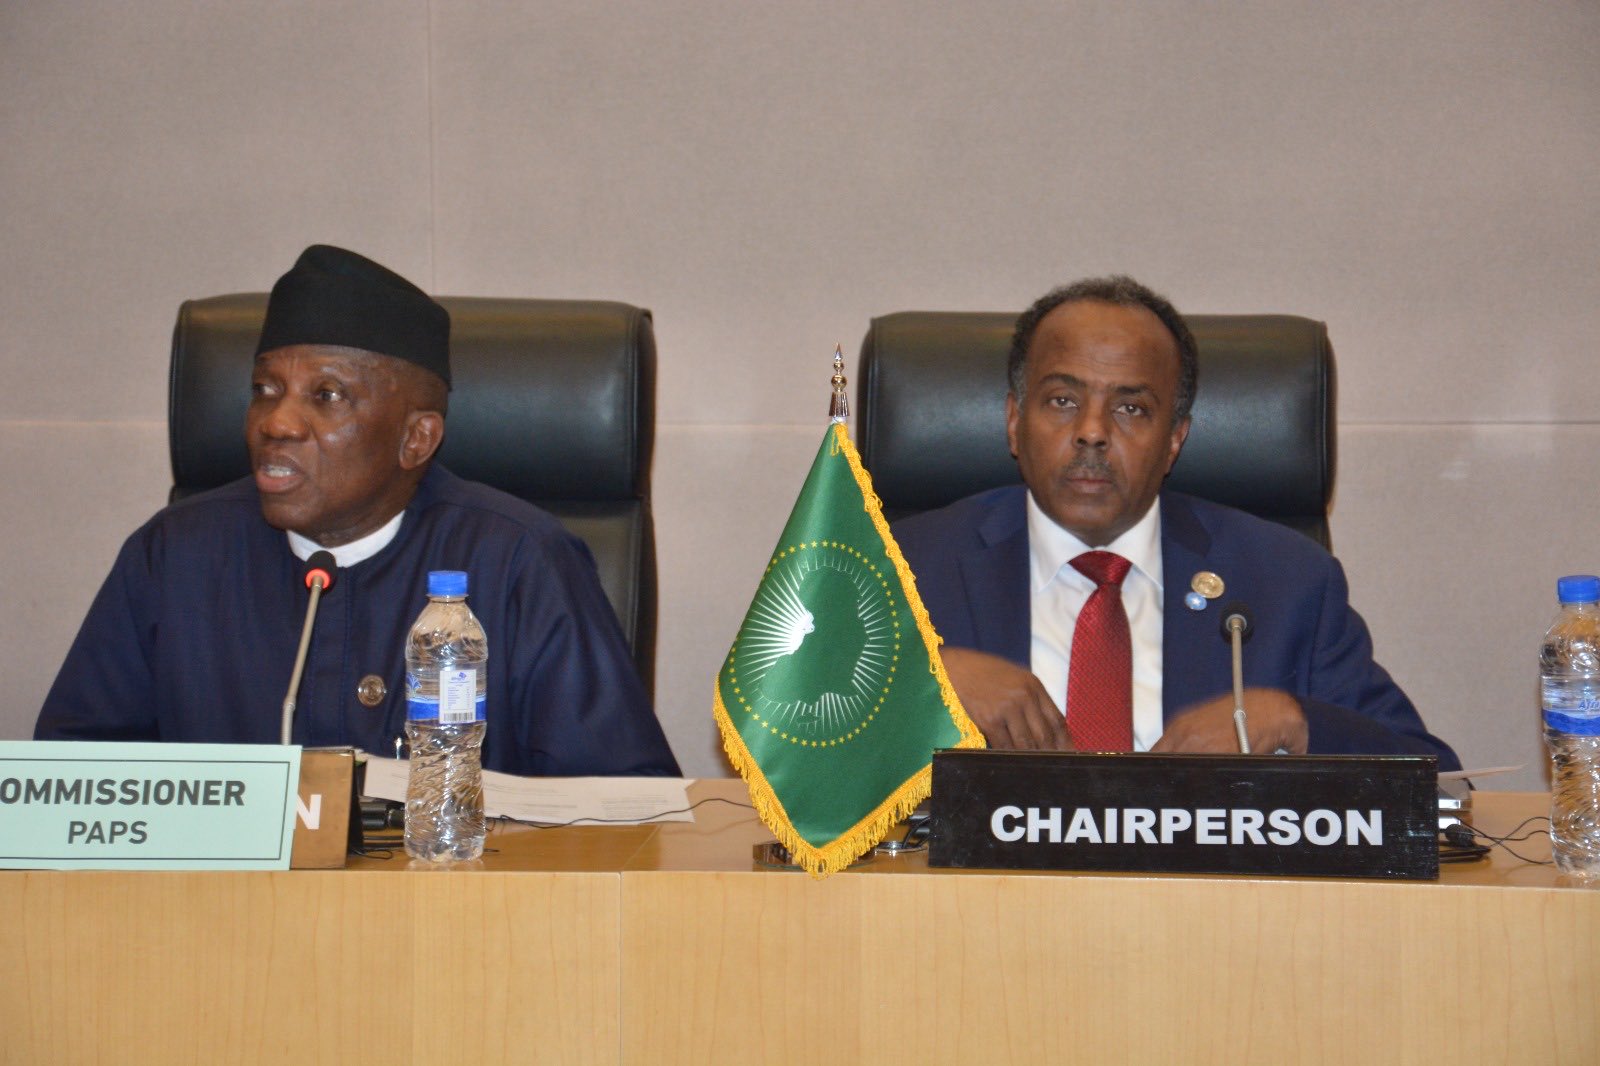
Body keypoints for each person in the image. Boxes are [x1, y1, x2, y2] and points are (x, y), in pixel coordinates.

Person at [36, 245, 680, 777]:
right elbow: (74, 785)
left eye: (327, 395)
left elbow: (621, 809)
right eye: (264, 390)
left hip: (457, 921)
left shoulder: (518, 562)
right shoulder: (174, 554)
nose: (277, 423)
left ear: (415, 439)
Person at [893, 275, 1459, 767]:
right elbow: (807, 742)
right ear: (1015, 422)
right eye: (1062, 400)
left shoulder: (1288, 583)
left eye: (1130, 408)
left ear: (1174, 440)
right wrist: (921, 685)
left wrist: (1292, 721)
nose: (1092, 431)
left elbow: (1436, 782)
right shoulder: (905, 566)